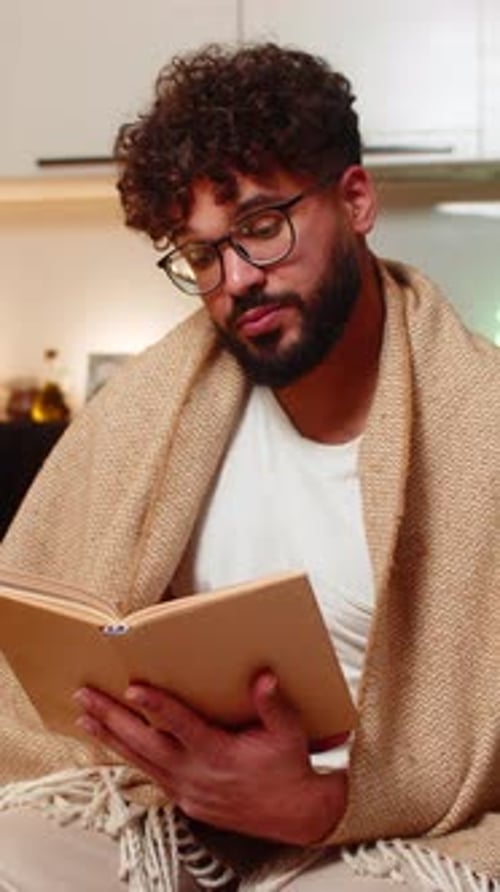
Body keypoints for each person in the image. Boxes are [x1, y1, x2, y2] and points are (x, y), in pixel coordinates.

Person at [0, 41, 499, 892]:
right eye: (200, 256)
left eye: (261, 228)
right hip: (170, 800)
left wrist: (321, 803)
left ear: (356, 199)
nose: (235, 279)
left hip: (390, 825)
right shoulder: (150, 409)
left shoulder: (480, 422)